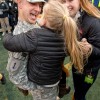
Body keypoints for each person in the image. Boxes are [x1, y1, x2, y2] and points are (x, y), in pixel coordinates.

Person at [3, 1, 89, 100]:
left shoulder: (34, 35)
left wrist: (7, 35)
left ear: (45, 20)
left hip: (39, 83)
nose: (39, 9)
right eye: (33, 3)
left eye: (41, 7)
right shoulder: (66, 38)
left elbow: (9, 43)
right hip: (53, 80)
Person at [57, 0, 100, 99]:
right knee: (77, 88)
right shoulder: (64, 17)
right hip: (76, 64)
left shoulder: (93, 22)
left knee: (80, 94)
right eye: (63, 1)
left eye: (71, 0)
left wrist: (90, 49)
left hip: (89, 70)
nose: (66, 5)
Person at [4, 0, 45, 96]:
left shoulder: (32, 24)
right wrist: (41, 88)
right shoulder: (21, 37)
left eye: (40, 5)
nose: (38, 9)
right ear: (20, 3)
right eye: (33, 3)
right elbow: (16, 77)